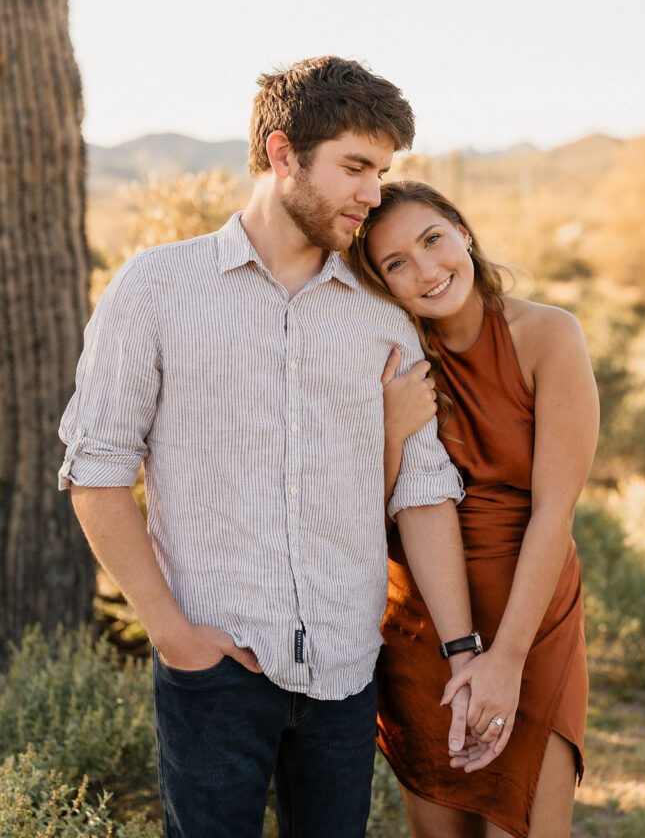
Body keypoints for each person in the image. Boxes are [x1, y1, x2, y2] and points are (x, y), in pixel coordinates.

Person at [58, 59, 501, 838]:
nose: (373, 193)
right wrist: (170, 632)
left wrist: (463, 647)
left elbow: (422, 492)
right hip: (214, 664)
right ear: (283, 153)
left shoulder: (380, 313)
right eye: (355, 168)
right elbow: (95, 472)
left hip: (344, 667)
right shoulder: (156, 289)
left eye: (382, 171)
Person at [348, 180, 600, 838]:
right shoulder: (388, 360)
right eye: (395, 263)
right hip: (419, 627)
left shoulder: (548, 335)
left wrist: (507, 658)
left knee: (524, 825)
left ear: (462, 232)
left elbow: (553, 511)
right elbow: (355, 512)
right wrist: (390, 430)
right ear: (381, 286)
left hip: (532, 620)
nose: (427, 269)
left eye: (431, 239)